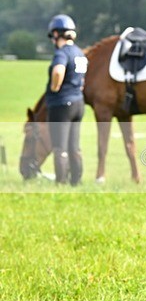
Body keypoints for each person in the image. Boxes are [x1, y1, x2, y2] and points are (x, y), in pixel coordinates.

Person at [45, 14, 88, 185]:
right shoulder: (79, 52)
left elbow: (57, 72)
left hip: (62, 104)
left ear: (56, 34)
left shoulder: (61, 53)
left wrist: (55, 87)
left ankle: (61, 182)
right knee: (74, 147)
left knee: (60, 148)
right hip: (78, 102)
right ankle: (76, 181)